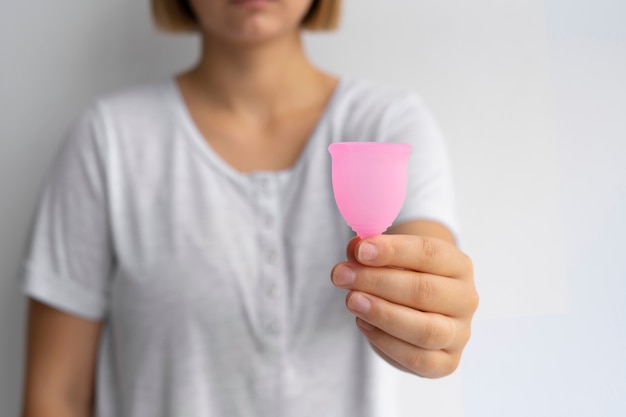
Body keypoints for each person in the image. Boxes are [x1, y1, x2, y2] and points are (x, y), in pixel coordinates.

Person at [21, 0, 478, 416]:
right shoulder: (107, 141)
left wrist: (432, 321)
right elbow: (56, 394)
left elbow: (427, 272)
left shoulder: (389, 122)